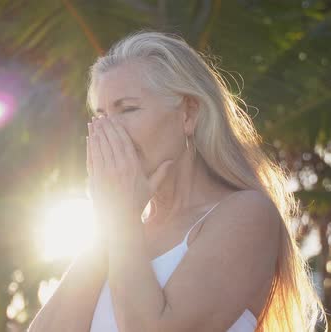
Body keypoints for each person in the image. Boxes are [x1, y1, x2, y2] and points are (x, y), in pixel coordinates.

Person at [27, 30, 327, 332]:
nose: (109, 131)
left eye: (128, 109)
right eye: (101, 115)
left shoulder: (247, 214)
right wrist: (111, 219)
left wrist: (120, 220)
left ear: (188, 113)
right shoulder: (121, 231)